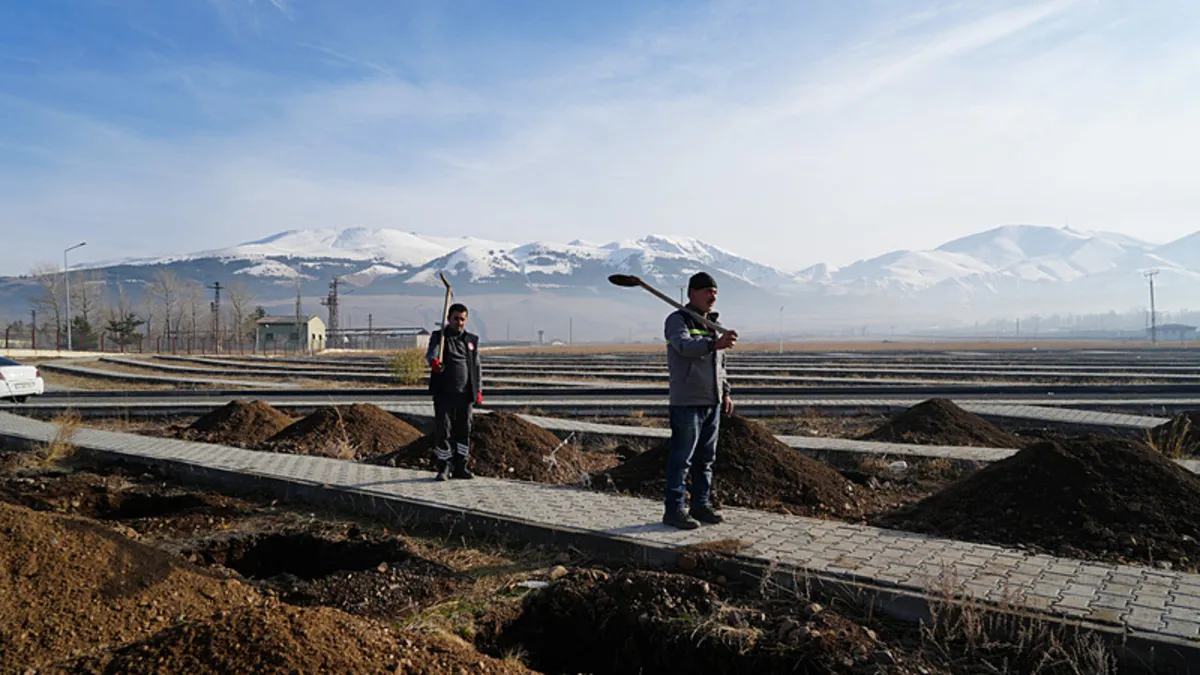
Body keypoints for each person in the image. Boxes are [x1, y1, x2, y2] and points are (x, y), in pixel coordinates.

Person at [662, 271, 736, 529]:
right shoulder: (677, 320)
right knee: (682, 459)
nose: (712, 297)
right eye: (707, 291)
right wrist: (713, 345)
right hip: (687, 401)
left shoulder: (714, 325)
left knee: (706, 459)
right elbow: (683, 347)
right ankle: (674, 510)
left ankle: (700, 504)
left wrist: (725, 392)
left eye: (714, 292)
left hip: (712, 401)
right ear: (692, 293)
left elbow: (720, 364)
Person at [425, 303, 483, 481]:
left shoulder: (471, 340)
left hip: (465, 394)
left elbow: (477, 366)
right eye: (456, 318)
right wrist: (434, 361)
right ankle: (444, 466)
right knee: (444, 431)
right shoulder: (439, 337)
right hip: (444, 393)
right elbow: (431, 353)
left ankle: (460, 466)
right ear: (449, 319)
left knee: (464, 430)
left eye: (462, 319)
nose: (459, 322)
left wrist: (478, 390)